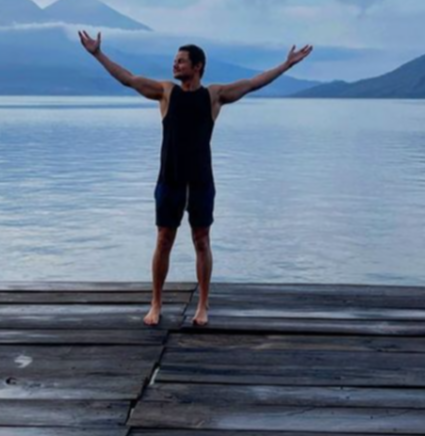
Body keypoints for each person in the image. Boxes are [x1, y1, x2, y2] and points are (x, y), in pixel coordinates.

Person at [78, 30, 313, 326]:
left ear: (198, 66)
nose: (175, 65)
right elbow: (129, 79)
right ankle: (156, 304)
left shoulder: (214, 96)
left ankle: (203, 305)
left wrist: (286, 64)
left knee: (202, 241)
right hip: (170, 180)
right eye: (174, 60)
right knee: (164, 240)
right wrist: (98, 54)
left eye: (181, 61)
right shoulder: (166, 92)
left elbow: (253, 83)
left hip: (201, 182)